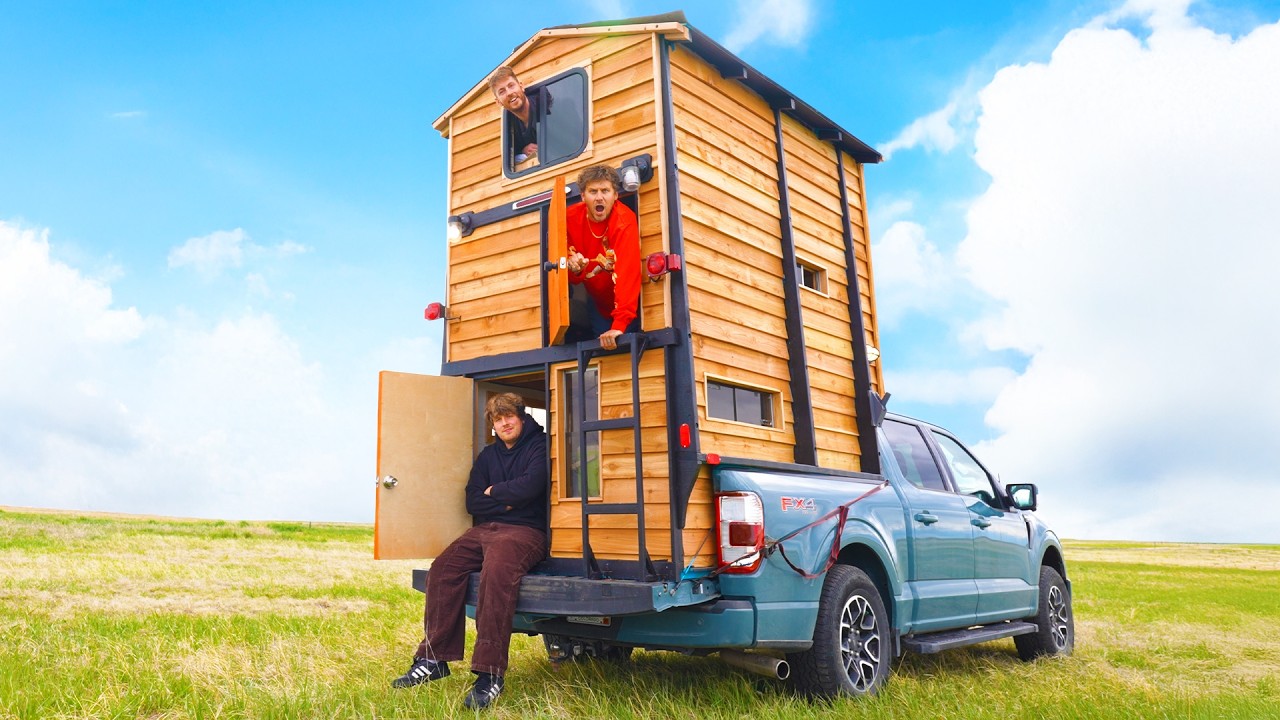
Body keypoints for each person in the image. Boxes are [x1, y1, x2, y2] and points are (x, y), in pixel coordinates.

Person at [390, 393, 548, 711]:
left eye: (509, 416)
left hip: (526, 532)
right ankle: (434, 659)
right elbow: (472, 500)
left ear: (522, 417)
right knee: (443, 569)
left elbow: (533, 486)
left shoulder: (540, 446)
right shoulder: (489, 456)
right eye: (497, 419)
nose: (504, 423)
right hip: (485, 530)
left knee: (496, 576)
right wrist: (506, 497)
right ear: (492, 424)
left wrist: (498, 493)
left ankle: (489, 675)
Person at [566, 165, 642, 350]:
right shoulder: (569, 219)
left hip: (627, 306)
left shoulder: (624, 220)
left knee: (625, 352)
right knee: (601, 357)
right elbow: (563, 274)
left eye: (605, 191)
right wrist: (574, 269)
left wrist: (620, 324)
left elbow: (628, 272)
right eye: (593, 191)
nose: (599, 197)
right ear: (583, 196)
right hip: (597, 303)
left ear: (615, 195)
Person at [488, 66, 539, 167]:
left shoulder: (545, 104)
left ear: (521, 86)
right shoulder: (510, 126)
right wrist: (523, 151)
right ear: (498, 102)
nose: (509, 93)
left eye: (511, 86)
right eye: (502, 91)